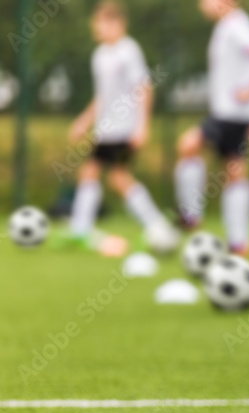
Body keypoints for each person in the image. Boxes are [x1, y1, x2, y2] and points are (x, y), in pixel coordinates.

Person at [66, 1, 176, 252]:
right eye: (95, 23)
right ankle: (80, 229)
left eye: (101, 23)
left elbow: (144, 88)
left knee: (118, 178)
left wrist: (142, 126)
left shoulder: (129, 51)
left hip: (124, 129)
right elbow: (102, 97)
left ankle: (157, 226)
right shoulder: (100, 55)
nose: (97, 28)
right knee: (90, 172)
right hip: (105, 130)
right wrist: (85, 120)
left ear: (117, 24)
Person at [174, 0, 249, 256]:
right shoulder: (227, 26)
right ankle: (234, 239)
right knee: (232, 169)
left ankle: (199, 220)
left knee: (193, 147)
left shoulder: (238, 25)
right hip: (226, 112)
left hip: (236, 113)